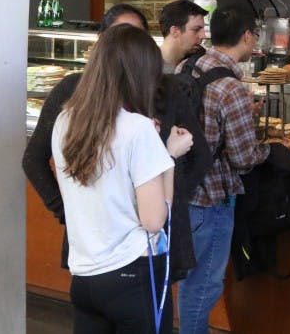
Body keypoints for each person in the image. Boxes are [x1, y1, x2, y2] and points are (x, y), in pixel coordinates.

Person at [23, 4, 212, 282]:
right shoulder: (72, 93)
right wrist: (66, 211)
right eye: (117, 37)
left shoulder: (166, 91)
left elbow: (200, 156)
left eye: (134, 37)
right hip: (94, 243)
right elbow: (33, 159)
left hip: (147, 241)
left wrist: (166, 204)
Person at [52, 23, 194, 333]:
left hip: (84, 277)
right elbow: (154, 220)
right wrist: (168, 157)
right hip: (133, 275)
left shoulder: (64, 121)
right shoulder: (137, 129)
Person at [177, 3, 272, 334]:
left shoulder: (188, 68)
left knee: (189, 284)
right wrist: (270, 149)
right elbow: (244, 158)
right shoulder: (231, 87)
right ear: (247, 36)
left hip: (180, 192)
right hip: (212, 201)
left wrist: (247, 116)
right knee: (202, 289)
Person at [159, 0, 208, 73]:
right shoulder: (146, 67)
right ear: (175, 31)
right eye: (196, 29)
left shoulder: (201, 62)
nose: (203, 36)